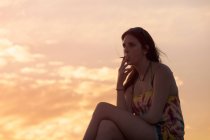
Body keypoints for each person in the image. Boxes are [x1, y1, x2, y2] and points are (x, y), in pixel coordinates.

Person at [83, 27, 185, 140]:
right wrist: (120, 84)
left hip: (166, 134)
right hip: (145, 132)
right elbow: (123, 114)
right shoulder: (132, 82)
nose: (126, 50)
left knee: (102, 108)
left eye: (131, 45)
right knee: (106, 126)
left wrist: (129, 120)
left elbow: (154, 117)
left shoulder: (161, 72)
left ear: (145, 49)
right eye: (124, 46)